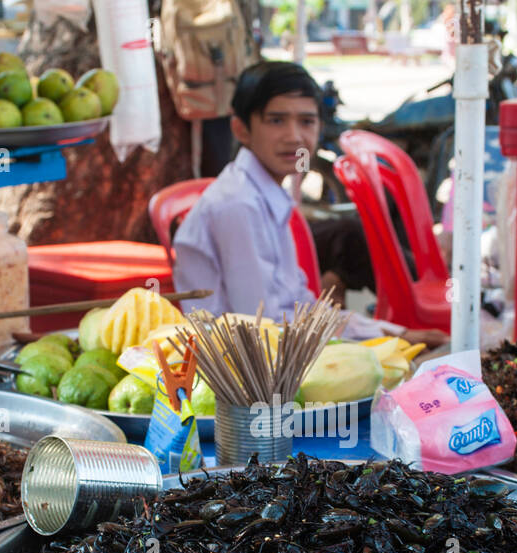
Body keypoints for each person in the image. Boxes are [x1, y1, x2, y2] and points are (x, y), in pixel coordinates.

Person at [172, 61, 446, 346]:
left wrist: (394, 334)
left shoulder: (265, 195)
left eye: (306, 121)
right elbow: (260, 326)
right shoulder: (238, 205)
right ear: (241, 129)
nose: (294, 137)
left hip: (275, 345)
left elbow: (300, 306)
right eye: (276, 120)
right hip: (241, 365)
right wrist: (381, 340)